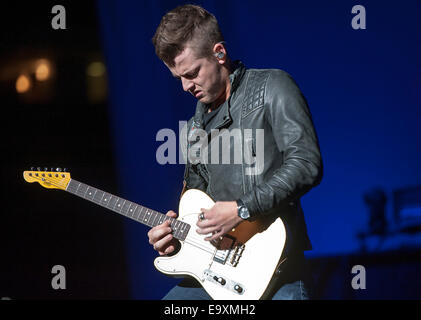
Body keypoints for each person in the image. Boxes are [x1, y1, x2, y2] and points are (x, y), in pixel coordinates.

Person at [148, 4, 323, 300]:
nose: (185, 86)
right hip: (218, 273)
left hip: (278, 269)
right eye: (178, 77)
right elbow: (196, 204)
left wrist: (242, 209)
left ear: (219, 53)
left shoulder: (273, 85)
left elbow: (306, 164)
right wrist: (176, 239)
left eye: (192, 73)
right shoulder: (194, 128)